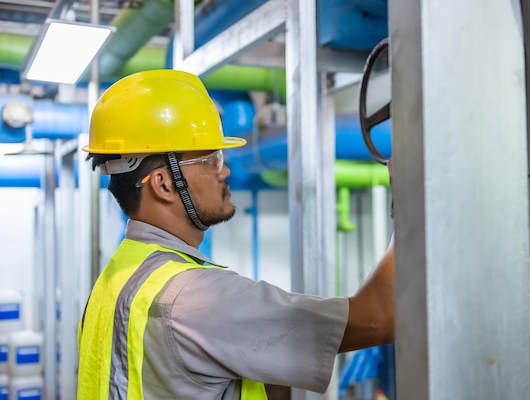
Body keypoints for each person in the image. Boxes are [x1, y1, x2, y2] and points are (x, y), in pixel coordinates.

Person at [76, 69, 395, 400]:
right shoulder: (195, 299)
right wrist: (408, 195)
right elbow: (379, 317)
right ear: (164, 184)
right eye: (211, 159)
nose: (225, 170)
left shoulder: (113, 282)